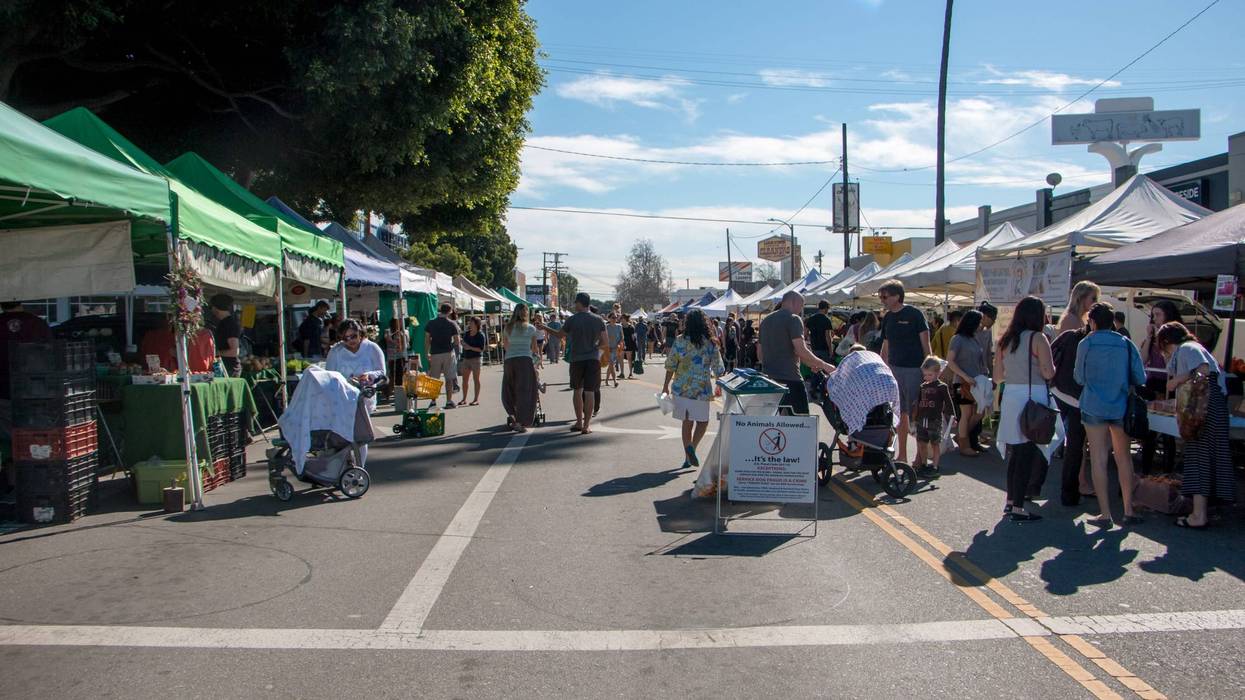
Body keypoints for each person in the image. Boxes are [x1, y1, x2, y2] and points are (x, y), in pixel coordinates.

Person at [1073, 302, 1146, 527]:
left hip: (1094, 405)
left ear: (1092, 322)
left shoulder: (1086, 343)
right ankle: (1128, 510)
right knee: (1123, 458)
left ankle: (1105, 514)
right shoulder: (1126, 343)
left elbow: (1079, 377)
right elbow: (1140, 377)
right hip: (1121, 406)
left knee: (1098, 458)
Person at [1157, 322, 1235, 529]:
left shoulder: (1187, 348)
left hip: (1203, 409)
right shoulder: (1194, 347)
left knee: (1198, 457)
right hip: (1214, 406)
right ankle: (1206, 510)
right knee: (1210, 457)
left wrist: (1174, 382)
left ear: (1166, 342)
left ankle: (1198, 515)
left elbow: (1203, 371)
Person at [994, 296, 1057, 522]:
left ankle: (1011, 501)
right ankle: (1019, 506)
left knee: (1015, 451)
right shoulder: (1038, 338)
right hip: (1033, 396)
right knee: (1027, 453)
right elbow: (1049, 372)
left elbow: (998, 376)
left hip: (1010, 395)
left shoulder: (1005, 340)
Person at [662, 309, 725, 469]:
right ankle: (692, 448)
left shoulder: (680, 340)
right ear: (705, 323)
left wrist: (665, 386)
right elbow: (718, 368)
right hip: (701, 389)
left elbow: (671, 365)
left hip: (681, 388)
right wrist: (718, 384)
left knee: (687, 421)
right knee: (703, 422)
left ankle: (687, 454)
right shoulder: (711, 343)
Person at [538, 292, 608, 434]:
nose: (574, 305)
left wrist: (544, 327)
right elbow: (605, 342)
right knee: (590, 392)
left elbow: (559, 335)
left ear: (580, 303)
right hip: (593, 359)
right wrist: (595, 349)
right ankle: (586, 425)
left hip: (576, 359)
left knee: (577, 390)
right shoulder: (599, 319)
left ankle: (579, 421)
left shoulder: (572, 319)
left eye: (576, 302)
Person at [877, 279, 931, 464]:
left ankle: (920, 457)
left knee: (917, 413)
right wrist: (882, 367)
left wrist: (928, 369)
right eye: (880, 296)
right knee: (900, 414)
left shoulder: (914, 314)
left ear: (896, 296)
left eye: (884, 296)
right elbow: (886, 345)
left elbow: (926, 342)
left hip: (915, 369)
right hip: (894, 369)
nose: (881, 300)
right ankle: (902, 454)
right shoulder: (887, 318)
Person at [756, 291, 835, 415]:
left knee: (772, 424)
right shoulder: (794, 319)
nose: (801, 309)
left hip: (769, 379)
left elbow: (760, 355)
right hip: (791, 380)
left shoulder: (766, 321)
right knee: (801, 424)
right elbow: (801, 350)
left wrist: (812, 363)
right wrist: (825, 365)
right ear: (794, 302)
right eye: (802, 305)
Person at [325, 319, 386, 466]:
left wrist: (369, 376)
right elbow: (329, 375)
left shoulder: (372, 348)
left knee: (360, 434)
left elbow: (382, 372)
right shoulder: (336, 351)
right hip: (342, 398)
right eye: (345, 338)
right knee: (342, 434)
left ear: (361, 333)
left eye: (353, 336)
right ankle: (344, 464)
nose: (350, 341)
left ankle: (360, 467)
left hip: (363, 398)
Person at [1050, 317, 1093, 507]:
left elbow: (1050, 357)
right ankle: (1069, 493)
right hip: (1078, 399)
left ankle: (1031, 487)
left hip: (1058, 391)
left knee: (1047, 439)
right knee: (1075, 447)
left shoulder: (1068, 336)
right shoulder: (1092, 343)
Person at [1138, 300, 1182, 469]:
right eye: (1153, 315)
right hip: (1153, 384)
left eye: (1158, 314)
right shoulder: (1153, 337)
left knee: (1168, 434)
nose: (1155, 319)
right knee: (1150, 430)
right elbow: (1142, 359)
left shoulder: (1177, 338)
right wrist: (1149, 337)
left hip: (1170, 385)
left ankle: (1168, 472)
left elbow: (1172, 362)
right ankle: (1146, 471)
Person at [946, 310, 989, 457]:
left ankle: (961, 437)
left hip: (976, 382)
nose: (981, 325)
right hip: (963, 382)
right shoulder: (957, 339)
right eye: (979, 322)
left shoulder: (974, 339)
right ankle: (964, 445)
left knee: (980, 412)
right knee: (967, 413)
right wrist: (965, 376)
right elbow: (950, 361)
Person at [500, 305, 540, 432]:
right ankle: (520, 422)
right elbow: (534, 348)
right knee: (525, 391)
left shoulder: (508, 327)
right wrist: (537, 359)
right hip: (525, 361)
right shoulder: (531, 328)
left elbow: (505, 346)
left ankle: (513, 413)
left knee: (509, 389)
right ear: (526, 313)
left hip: (510, 361)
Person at [912, 356, 955, 475]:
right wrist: (915, 417)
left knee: (935, 443)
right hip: (922, 419)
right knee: (921, 442)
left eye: (929, 375)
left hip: (934, 420)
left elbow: (948, 402)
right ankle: (924, 464)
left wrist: (952, 416)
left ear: (938, 373)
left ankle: (935, 466)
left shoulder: (942, 387)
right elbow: (919, 403)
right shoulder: (922, 387)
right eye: (925, 375)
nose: (926, 377)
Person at [424, 303, 461, 409]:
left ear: (440, 310)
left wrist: (427, 352)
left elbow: (427, 340)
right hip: (448, 353)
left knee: (434, 379)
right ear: (449, 312)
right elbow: (457, 341)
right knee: (449, 378)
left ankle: (433, 402)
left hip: (435, 353)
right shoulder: (452, 323)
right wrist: (451, 346)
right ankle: (449, 401)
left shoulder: (431, 323)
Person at [208, 294, 243, 377]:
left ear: (215, 307)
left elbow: (234, 351)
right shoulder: (223, 323)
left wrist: (214, 353)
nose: (211, 310)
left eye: (211, 307)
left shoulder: (229, 324)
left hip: (230, 370)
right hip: (225, 367)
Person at [459, 317, 486, 406]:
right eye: (469, 322)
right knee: (464, 380)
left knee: (476, 379)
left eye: (471, 322)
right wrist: (462, 343)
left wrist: (470, 347)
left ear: (476, 324)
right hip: (466, 358)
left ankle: (475, 399)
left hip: (476, 359)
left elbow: (481, 349)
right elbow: (463, 343)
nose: (469, 324)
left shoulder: (480, 335)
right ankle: (464, 399)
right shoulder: (466, 334)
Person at [383, 318, 408, 399]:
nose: (400, 324)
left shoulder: (402, 332)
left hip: (397, 357)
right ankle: (389, 393)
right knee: (393, 376)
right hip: (394, 357)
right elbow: (389, 340)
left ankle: (394, 393)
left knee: (397, 376)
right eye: (399, 322)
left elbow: (403, 345)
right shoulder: (390, 331)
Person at [805, 300, 836, 365]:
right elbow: (828, 336)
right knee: (825, 368)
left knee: (815, 368)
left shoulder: (811, 318)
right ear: (826, 308)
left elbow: (805, 333)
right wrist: (830, 349)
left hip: (813, 347)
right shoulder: (826, 320)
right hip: (824, 348)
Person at [976, 302, 998, 377]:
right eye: (993, 319)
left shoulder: (988, 333)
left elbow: (988, 355)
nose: (994, 322)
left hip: (983, 374)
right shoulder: (969, 332)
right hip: (969, 375)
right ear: (984, 316)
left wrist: (992, 375)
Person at [605, 313, 623, 387]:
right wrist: (607, 346)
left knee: (610, 366)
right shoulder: (606, 327)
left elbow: (622, 337)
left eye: (615, 317)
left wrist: (619, 344)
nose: (614, 319)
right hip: (608, 349)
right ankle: (615, 381)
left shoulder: (619, 326)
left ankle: (606, 380)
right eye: (613, 318)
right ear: (609, 318)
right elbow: (603, 338)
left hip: (617, 349)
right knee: (611, 364)